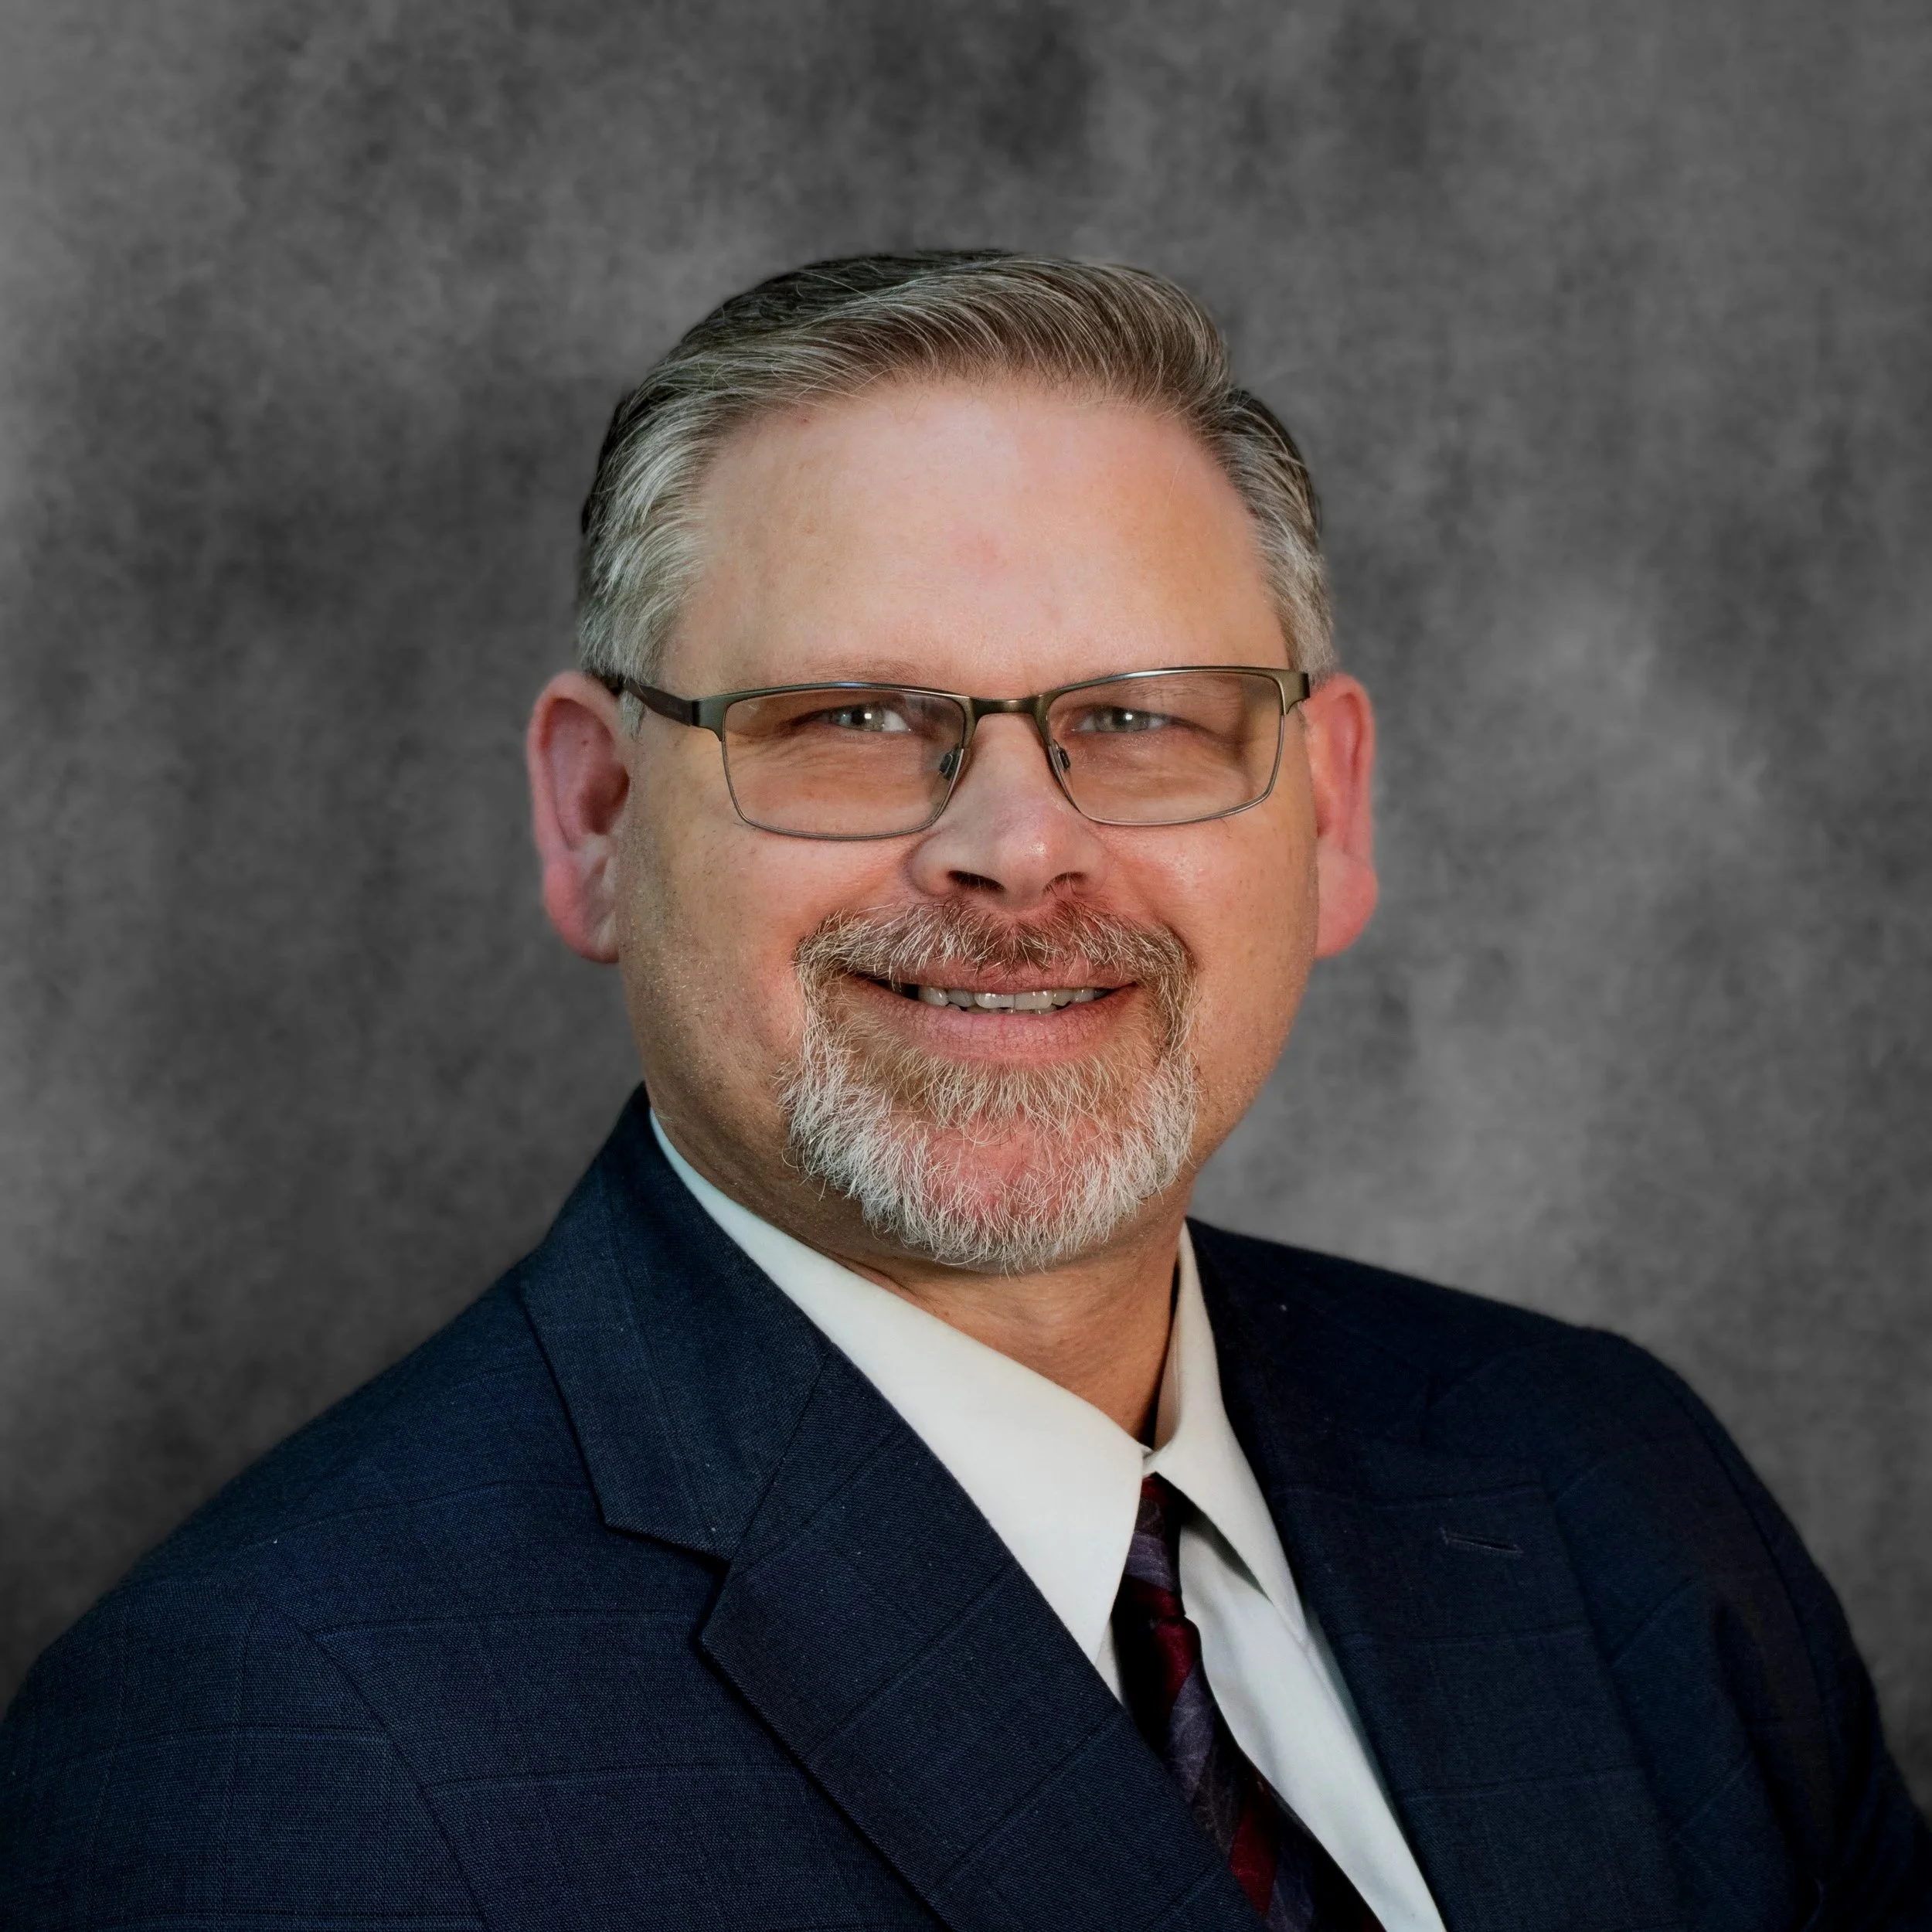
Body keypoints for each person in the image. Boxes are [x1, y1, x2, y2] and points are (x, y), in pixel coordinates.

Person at [2, 251, 1925, 1931]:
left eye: (1138, 718)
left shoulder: (1607, 1486)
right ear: (593, 817)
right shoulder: (266, 1746)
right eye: (849, 719)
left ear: (1327, 815)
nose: (1019, 846)